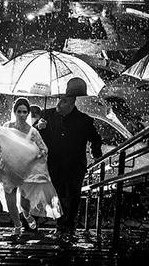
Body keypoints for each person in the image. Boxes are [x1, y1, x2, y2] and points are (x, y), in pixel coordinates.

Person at [0, 97, 62, 236]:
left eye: (25, 112)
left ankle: (27, 216)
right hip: (8, 170)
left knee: (24, 203)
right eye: (19, 111)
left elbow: (44, 150)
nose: (22, 115)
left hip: (26, 172)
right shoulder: (7, 127)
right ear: (14, 112)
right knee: (10, 201)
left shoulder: (33, 132)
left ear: (28, 113)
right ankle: (17, 226)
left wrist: (33, 158)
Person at [37, 77, 102, 241]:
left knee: (73, 196)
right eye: (59, 100)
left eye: (63, 102)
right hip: (54, 164)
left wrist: (96, 154)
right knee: (57, 195)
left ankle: (69, 225)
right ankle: (60, 225)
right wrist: (40, 128)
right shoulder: (47, 116)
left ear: (72, 103)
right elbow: (33, 137)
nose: (58, 104)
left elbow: (95, 138)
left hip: (75, 165)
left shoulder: (84, 121)